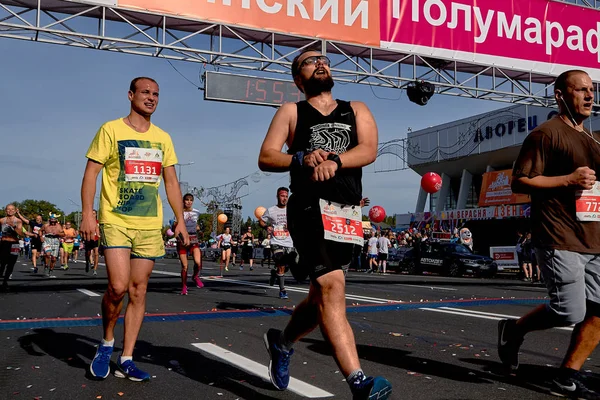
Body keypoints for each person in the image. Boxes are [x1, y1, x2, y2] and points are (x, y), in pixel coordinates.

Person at [257, 49, 392, 399]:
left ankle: (282, 342)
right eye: (309, 61)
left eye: (324, 60)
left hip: (346, 212)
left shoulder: (357, 108)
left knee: (322, 296)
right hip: (307, 209)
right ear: (298, 78)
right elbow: (267, 156)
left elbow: (369, 149)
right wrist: (300, 157)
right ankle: (359, 382)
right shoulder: (291, 111)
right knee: (332, 285)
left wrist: (335, 158)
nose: (320, 63)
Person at [498, 69, 600, 398]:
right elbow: (520, 181)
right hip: (559, 236)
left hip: (595, 238)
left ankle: (567, 376)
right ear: (560, 95)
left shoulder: (594, 139)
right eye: (580, 90)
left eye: (592, 90)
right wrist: (567, 180)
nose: (589, 96)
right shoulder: (546, 134)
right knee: (570, 311)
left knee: (599, 309)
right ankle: (514, 331)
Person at [81, 77, 189, 382]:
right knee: (117, 286)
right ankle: (106, 343)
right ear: (131, 95)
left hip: (149, 224)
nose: (151, 98)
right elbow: (91, 174)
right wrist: (88, 214)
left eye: (156, 94)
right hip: (115, 219)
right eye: (145, 92)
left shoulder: (163, 137)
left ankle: (127, 358)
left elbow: (171, 182)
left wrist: (179, 219)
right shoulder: (111, 130)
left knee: (138, 291)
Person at [259, 187, 296, 299]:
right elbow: (261, 220)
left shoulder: (292, 209)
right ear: (277, 196)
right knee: (280, 264)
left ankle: (275, 273)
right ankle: (282, 290)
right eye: (282, 196)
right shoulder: (271, 210)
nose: (284, 198)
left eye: (286, 196)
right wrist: (266, 227)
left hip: (288, 242)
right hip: (276, 241)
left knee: (289, 265)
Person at [174, 193, 203, 295]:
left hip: (193, 239)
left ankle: (195, 276)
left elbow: (196, 224)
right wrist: (178, 236)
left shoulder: (197, 212)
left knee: (198, 262)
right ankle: (184, 286)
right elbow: (175, 227)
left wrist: (199, 229)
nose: (189, 202)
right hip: (182, 240)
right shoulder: (179, 213)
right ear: (183, 201)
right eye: (187, 200)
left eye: (191, 200)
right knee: (185, 266)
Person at [0, 204, 24, 290]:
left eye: (12, 209)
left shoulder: (18, 221)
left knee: (11, 263)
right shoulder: (2, 220)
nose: (10, 211)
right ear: (5, 211)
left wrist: (14, 228)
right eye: (8, 209)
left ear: (15, 211)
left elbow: (21, 234)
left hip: (14, 243)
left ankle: (5, 281)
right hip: (4, 243)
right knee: (2, 263)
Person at [41, 213, 64, 277]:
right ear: (50, 220)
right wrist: (41, 237)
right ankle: (46, 265)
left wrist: (58, 233)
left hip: (55, 241)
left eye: (54, 220)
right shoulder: (46, 225)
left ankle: (51, 270)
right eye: (52, 220)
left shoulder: (59, 226)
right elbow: (40, 231)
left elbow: (63, 234)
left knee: (53, 258)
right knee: (48, 254)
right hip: (47, 240)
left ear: (56, 220)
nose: (53, 221)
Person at [84, 210, 101, 276]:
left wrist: (99, 235)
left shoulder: (98, 222)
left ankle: (95, 269)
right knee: (88, 253)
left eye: (94, 214)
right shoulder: (87, 222)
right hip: (88, 239)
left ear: (96, 215)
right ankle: (88, 262)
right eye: (92, 214)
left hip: (96, 239)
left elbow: (100, 230)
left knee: (96, 253)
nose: (93, 215)